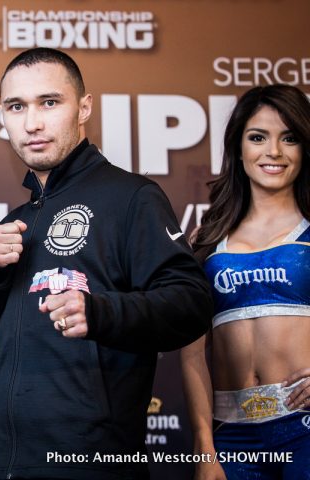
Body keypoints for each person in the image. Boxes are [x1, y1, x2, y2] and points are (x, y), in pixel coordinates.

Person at [0, 47, 213, 479]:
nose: (32, 123)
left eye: (49, 102)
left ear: (84, 107)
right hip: (6, 465)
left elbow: (191, 304)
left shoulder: (131, 197)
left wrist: (99, 311)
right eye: (16, 107)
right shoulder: (14, 224)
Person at [180, 84, 310, 480]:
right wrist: (204, 447)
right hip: (232, 436)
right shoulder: (204, 241)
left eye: (289, 138)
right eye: (258, 137)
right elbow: (190, 354)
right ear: (238, 149)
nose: (274, 152)